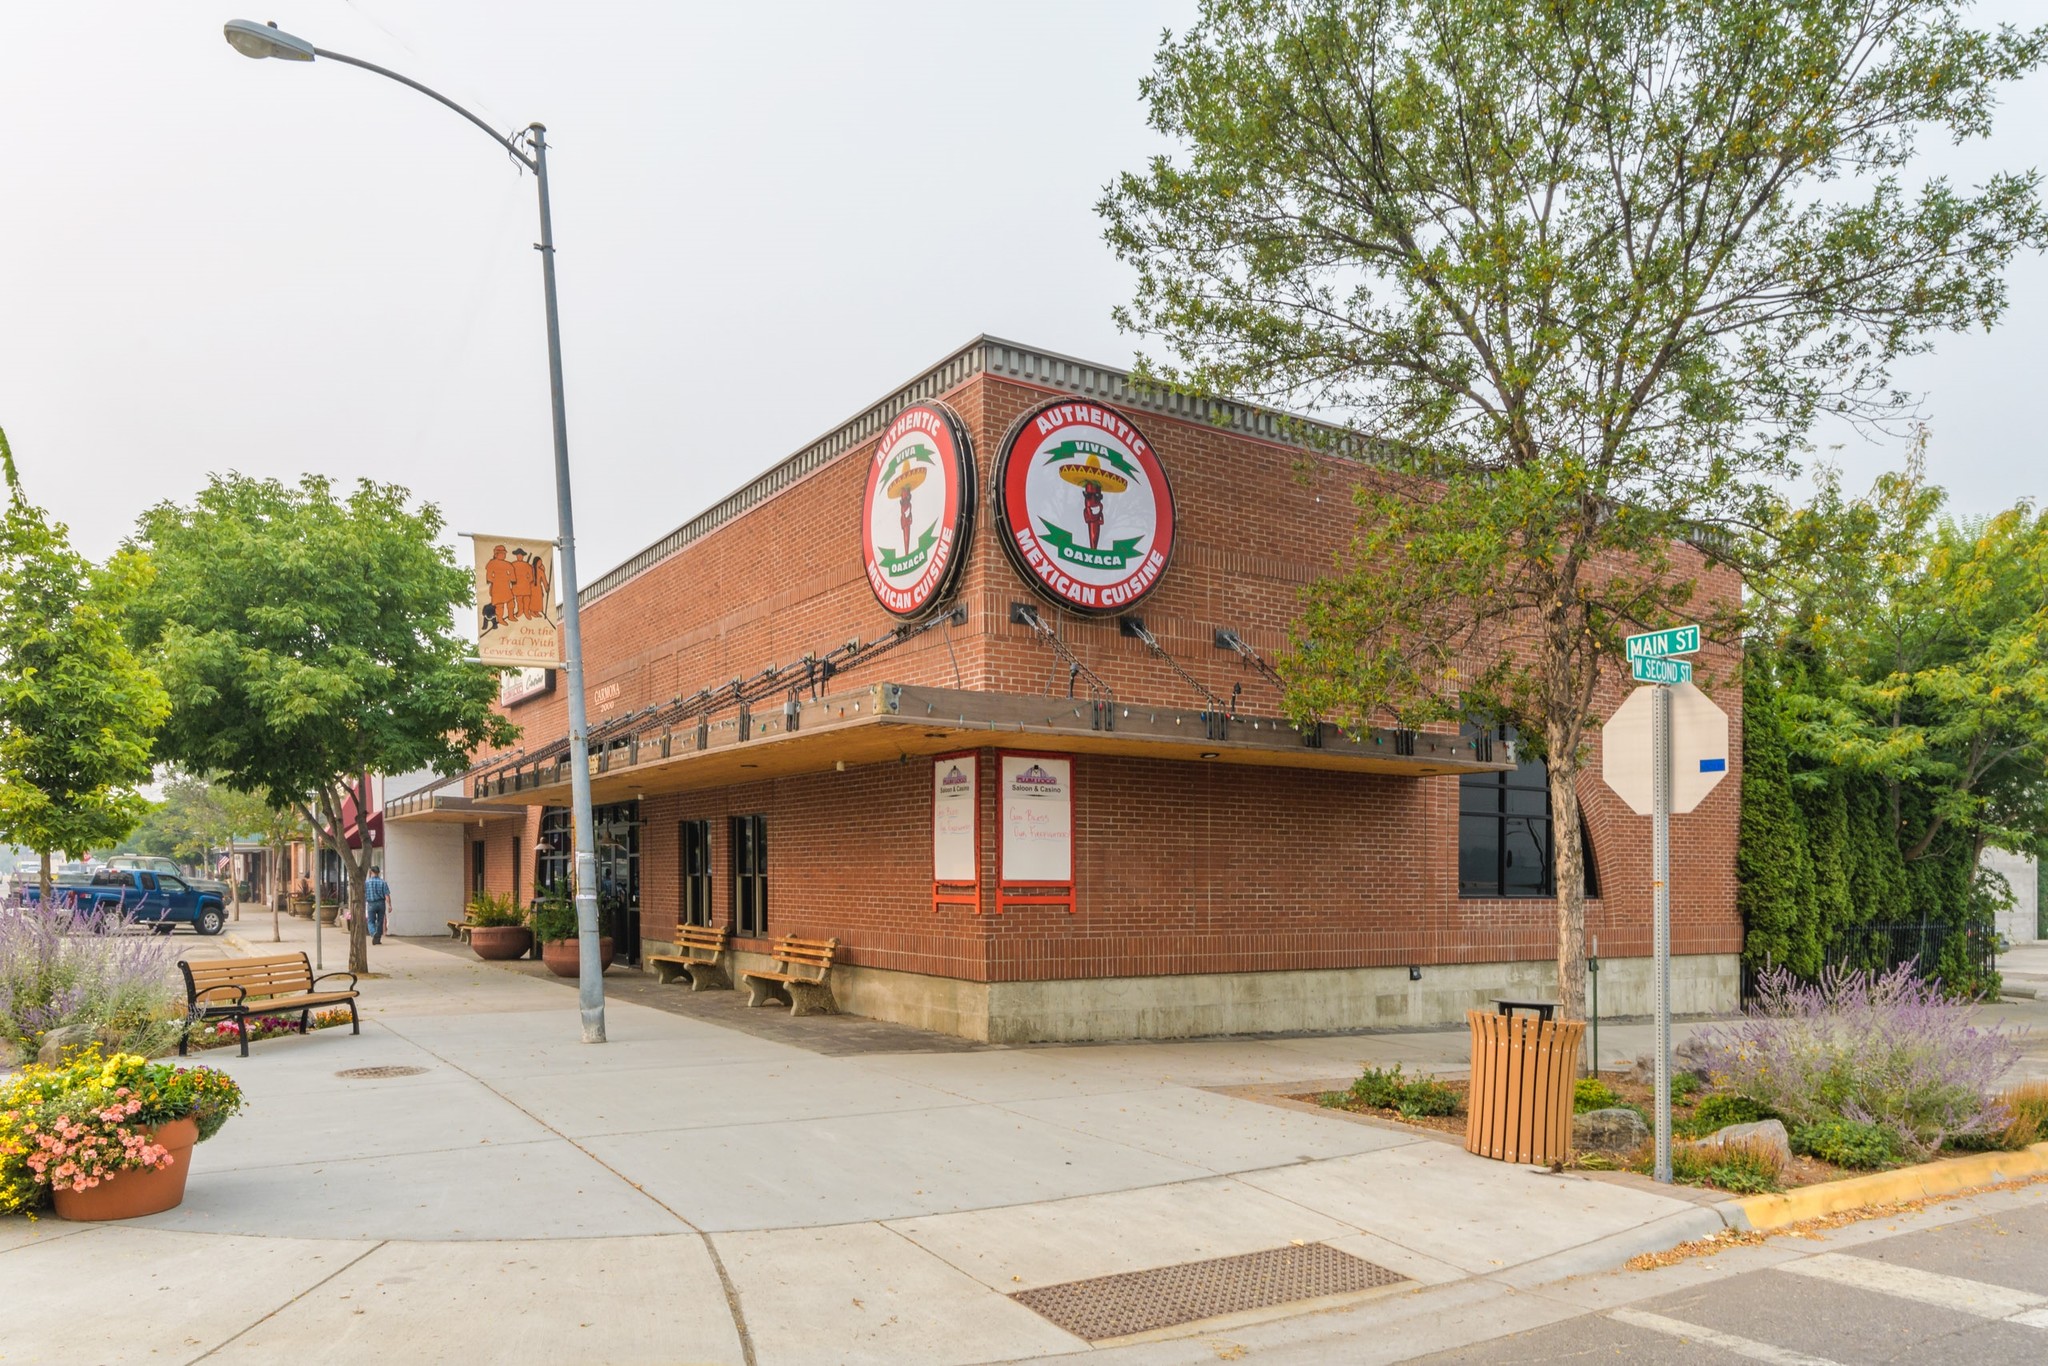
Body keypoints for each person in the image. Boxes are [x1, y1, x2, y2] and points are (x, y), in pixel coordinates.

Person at [364, 864, 392, 945]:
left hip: (371, 904)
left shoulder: (366, 883)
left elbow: (363, 894)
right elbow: (387, 895)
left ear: (371, 872)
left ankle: (373, 933)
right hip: (381, 903)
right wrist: (389, 905)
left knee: (371, 921)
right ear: (378, 872)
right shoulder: (383, 882)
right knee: (380, 921)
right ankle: (378, 939)